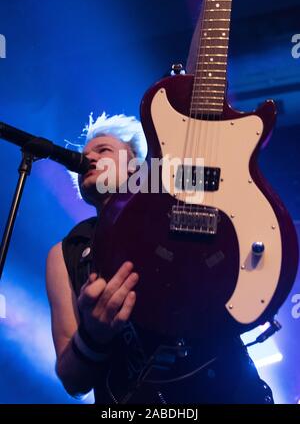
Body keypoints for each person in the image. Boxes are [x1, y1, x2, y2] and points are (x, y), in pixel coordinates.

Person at [46, 111, 274, 404]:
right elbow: (71, 380)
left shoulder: (180, 210)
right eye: (84, 154)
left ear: (137, 167)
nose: (88, 159)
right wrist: (93, 335)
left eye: (103, 150)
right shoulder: (65, 251)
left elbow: (222, 178)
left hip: (228, 391)